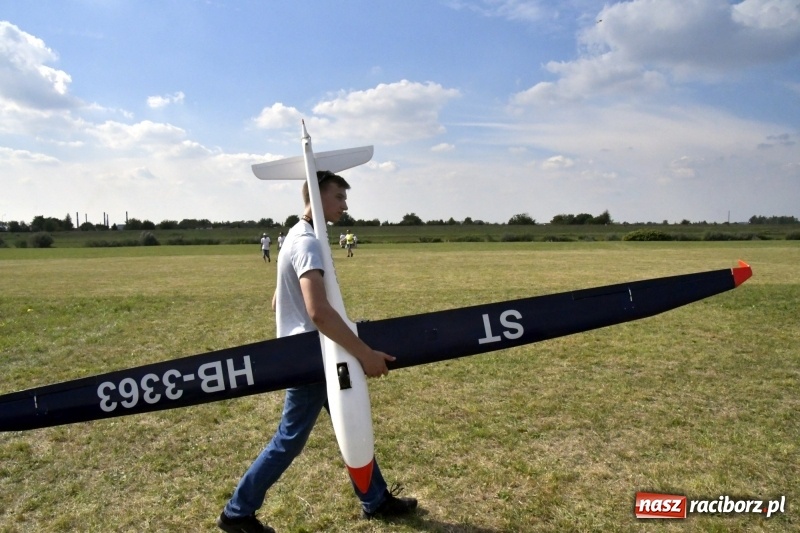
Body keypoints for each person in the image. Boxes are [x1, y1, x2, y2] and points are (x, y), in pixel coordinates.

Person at [217, 170, 418, 533]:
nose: (345, 205)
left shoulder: (297, 235)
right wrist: (365, 354)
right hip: (312, 358)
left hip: (313, 353)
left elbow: (279, 298)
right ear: (316, 195)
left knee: (349, 420)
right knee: (289, 440)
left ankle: (376, 499)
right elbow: (319, 313)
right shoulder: (307, 242)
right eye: (339, 196)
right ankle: (237, 513)